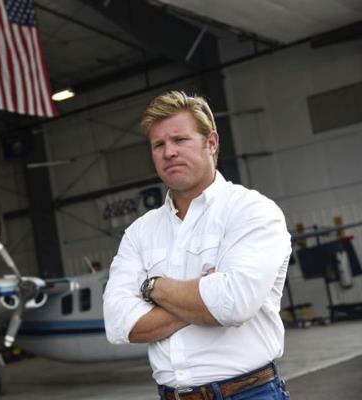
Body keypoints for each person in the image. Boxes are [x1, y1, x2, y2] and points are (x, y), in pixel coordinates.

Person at [103, 91, 291, 400]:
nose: (169, 152)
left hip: (248, 393)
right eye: (159, 145)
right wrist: (205, 297)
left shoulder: (252, 211)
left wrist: (152, 288)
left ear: (211, 143)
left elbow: (233, 304)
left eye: (180, 140)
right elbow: (118, 324)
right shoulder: (139, 232)